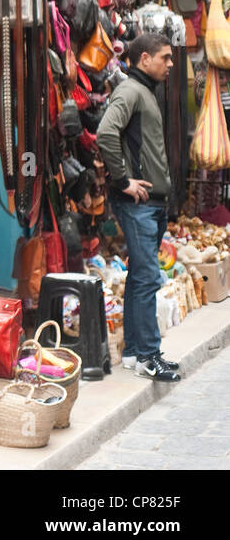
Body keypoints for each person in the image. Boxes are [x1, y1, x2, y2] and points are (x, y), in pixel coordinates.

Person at [96, 32, 181, 381]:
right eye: (165, 57)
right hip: (139, 205)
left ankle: (133, 352)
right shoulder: (131, 90)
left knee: (139, 279)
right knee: (147, 278)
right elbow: (105, 133)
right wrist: (123, 180)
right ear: (144, 59)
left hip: (151, 204)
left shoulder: (144, 92)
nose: (171, 63)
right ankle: (149, 356)